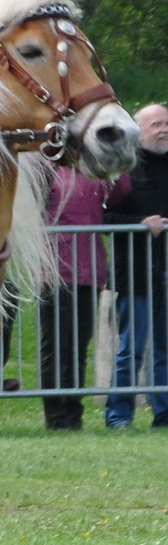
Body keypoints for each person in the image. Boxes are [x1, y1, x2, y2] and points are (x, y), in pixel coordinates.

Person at [104, 103, 168, 428]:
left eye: (166, 123)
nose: (164, 129)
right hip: (136, 273)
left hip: (166, 271)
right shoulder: (124, 169)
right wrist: (140, 223)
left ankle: (164, 413)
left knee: (165, 349)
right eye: (156, 124)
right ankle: (119, 416)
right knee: (131, 350)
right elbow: (104, 217)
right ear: (139, 130)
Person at [39, 167, 111, 430]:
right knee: (57, 347)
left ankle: (73, 414)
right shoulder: (49, 171)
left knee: (78, 347)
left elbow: (119, 194)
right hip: (55, 270)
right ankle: (58, 416)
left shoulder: (96, 173)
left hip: (89, 270)